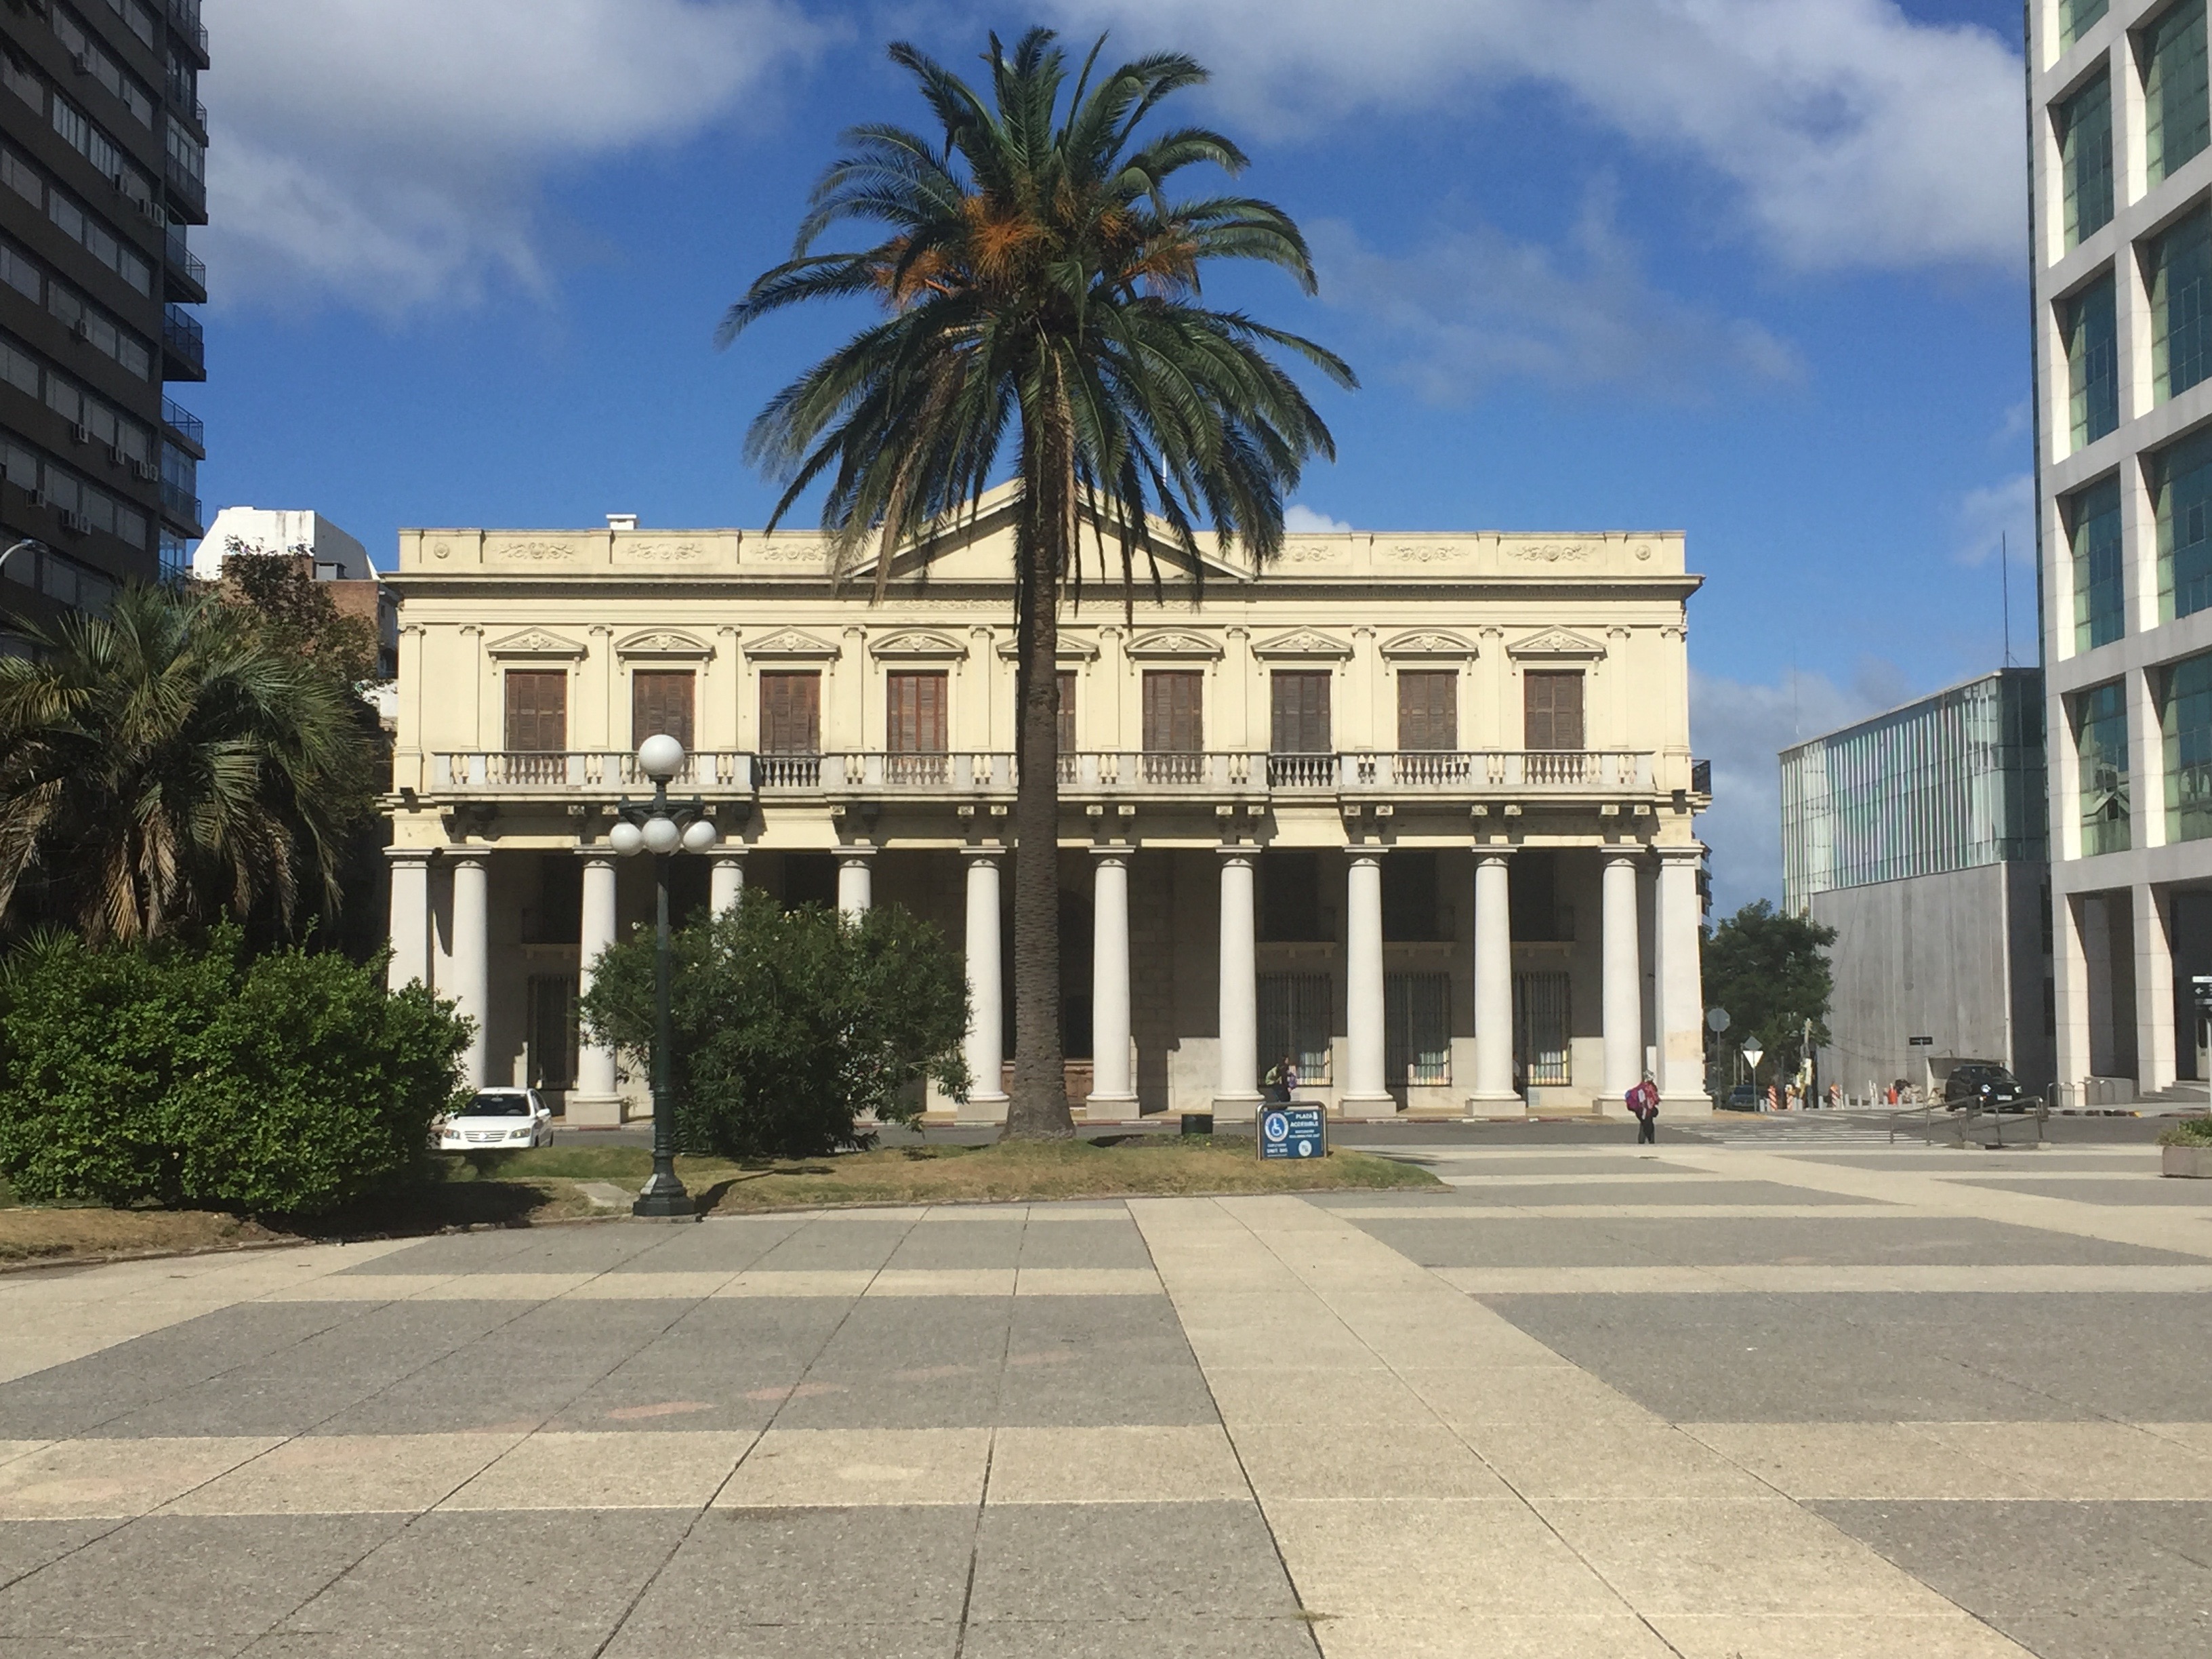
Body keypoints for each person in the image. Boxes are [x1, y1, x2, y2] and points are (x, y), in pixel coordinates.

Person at [1627, 1072, 1660, 1143]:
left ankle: (1641, 1140)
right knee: (1649, 1125)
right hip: (1647, 1109)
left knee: (1643, 1124)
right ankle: (1651, 1140)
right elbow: (1655, 1099)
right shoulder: (1650, 1087)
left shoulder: (1640, 1087)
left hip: (1640, 1110)